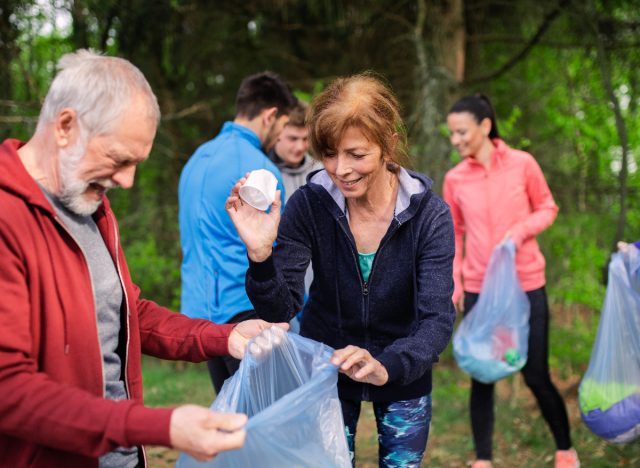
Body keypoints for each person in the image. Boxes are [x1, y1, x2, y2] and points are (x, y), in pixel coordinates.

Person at [0, 50, 287, 467]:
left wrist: (224, 337)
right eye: (120, 159)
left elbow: (127, 313)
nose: (127, 180)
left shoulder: (88, 204)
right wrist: (160, 426)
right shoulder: (9, 217)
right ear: (65, 127)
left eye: (136, 163)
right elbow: (10, 391)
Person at [226, 74, 456, 467]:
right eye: (329, 154)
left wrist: (390, 365)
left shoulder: (429, 216)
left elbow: (436, 318)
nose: (340, 169)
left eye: (356, 154)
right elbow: (280, 310)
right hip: (326, 371)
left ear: (388, 145)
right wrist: (261, 255)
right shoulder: (310, 205)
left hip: (403, 374)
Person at [443, 94, 579, 468]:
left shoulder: (522, 164)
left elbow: (548, 207)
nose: (455, 140)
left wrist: (519, 232)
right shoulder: (455, 179)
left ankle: (565, 450)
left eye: (461, 131)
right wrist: (455, 281)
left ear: (485, 126)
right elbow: (453, 232)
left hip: (526, 283)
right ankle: (483, 459)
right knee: (482, 373)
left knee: (535, 373)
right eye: (452, 133)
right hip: (479, 288)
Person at [179, 71, 297, 393]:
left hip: (200, 315)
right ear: (270, 115)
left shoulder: (196, 160)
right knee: (265, 423)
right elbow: (271, 248)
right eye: (284, 126)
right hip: (245, 312)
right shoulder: (258, 169)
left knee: (232, 417)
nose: (280, 136)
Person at [268, 99, 322, 203]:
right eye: (293, 139)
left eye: (305, 139)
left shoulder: (320, 172)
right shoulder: (262, 171)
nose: (300, 147)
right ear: (277, 133)